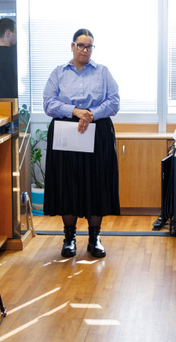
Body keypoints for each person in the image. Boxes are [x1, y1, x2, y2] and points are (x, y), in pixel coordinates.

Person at [42, 28, 120, 258]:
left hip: (98, 133)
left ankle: (95, 238)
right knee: (68, 184)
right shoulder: (58, 73)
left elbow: (114, 102)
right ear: (72, 46)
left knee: (97, 184)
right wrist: (75, 111)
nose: (85, 50)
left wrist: (91, 115)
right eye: (81, 45)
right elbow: (48, 104)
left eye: (89, 46)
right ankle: (69, 238)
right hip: (66, 132)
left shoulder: (103, 72)